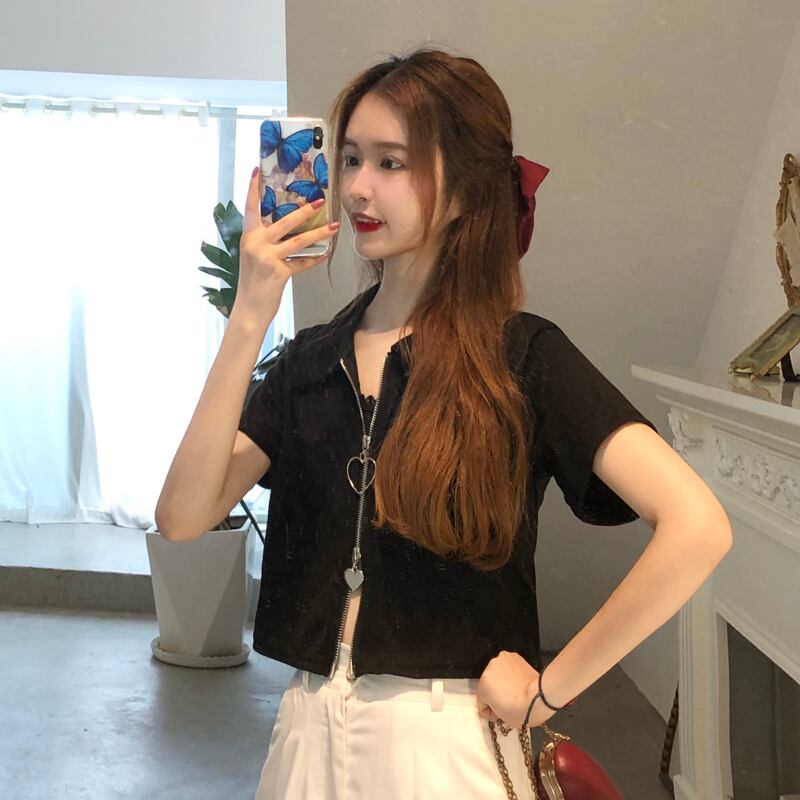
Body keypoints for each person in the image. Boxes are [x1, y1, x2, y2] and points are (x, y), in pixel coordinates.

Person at [156, 46, 733, 800]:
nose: (357, 187)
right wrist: (249, 314)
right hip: (302, 737)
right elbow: (183, 517)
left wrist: (550, 689)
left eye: (391, 163)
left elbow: (698, 526)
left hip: (447, 749)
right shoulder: (311, 362)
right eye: (351, 158)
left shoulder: (519, 358)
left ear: (464, 190)